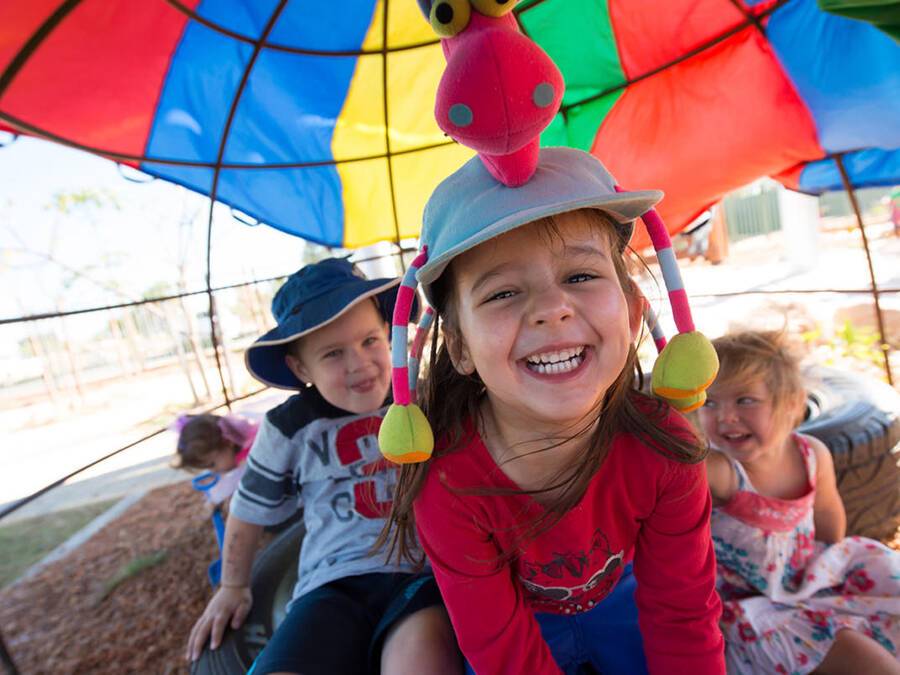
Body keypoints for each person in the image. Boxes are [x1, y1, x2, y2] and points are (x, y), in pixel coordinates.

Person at [382, 148, 725, 674]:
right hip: (513, 624)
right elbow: (504, 654)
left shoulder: (667, 447)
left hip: (626, 600)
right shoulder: (447, 485)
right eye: (502, 292)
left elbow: (683, 617)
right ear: (461, 349)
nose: (550, 308)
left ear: (634, 312)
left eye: (581, 276)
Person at [185, 258, 461, 675]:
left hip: (419, 574)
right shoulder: (290, 427)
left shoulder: (424, 399)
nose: (359, 363)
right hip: (331, 581)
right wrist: (234, 585)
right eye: (333, 353)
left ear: (388, 333)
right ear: (300, 368)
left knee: (419, 658)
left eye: (369, 340)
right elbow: (247, 511)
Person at [700, 330, 900, 675]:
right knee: (870, 663)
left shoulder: (811, 453)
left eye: (745, 400)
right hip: (752, 606)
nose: (725, 416)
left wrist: (833, 569)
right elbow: (676, 469)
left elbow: (826, 513)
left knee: (889, 583)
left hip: (808, 578)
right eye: (709, 402)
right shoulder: (721, 470)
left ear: (792, 403)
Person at [172, 413, 258, 507]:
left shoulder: (252, 458)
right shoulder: (233, 458)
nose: (212, 470)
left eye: (212, 464)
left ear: (228, 443)